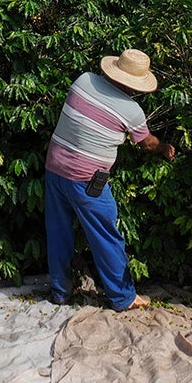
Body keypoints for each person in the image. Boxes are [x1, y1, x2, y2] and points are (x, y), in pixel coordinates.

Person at [43, 48, 176, 311]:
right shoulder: (132, 111)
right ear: (136, 84)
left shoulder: (83, 80)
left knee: (58, 233)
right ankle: (123, 297)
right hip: (87, 179)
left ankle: (60, 292)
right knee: (107, 237)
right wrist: (164, 148)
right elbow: (146, 144)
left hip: (55, 168)